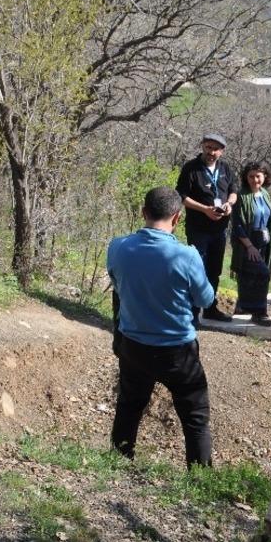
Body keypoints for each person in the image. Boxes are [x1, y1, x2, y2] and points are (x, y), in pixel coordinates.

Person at [108, 186, 214, 469]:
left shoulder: (118, 247)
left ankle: (118, 468)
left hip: (133, 346)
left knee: (129, 408)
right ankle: (200, 479)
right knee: (195, 418)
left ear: (144, 213)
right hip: (178, 351)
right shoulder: (187, 256)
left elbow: (118, 288)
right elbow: (206, 298)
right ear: (177, 218)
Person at [175, 134, 237, 325]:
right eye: (208, 147)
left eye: (215, 149)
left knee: (214, 269)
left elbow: (234, 190)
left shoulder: (225, 168)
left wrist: (229, 204)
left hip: (219, 230)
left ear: (221, 151)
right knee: (196, 270)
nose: (211, 152)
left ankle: (210, 309)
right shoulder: (191, 168)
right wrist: (205, 210)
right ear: (202, 146)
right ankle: (192, 314)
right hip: (198, 229)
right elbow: (181, 196)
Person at [230, 161, 271, 326]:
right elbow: (237, 225)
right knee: (262, 274)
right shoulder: (241, 195)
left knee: (251, 276)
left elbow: (269, 221)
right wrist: (249, 246)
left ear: (265, 176)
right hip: (248, 240)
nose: (255, 180)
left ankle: (242, 306)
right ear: (246, 178)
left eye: (258, 176)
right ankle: (259, 313)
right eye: (251, 176)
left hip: (264, 240)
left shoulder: (265, 194)